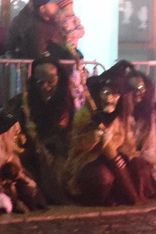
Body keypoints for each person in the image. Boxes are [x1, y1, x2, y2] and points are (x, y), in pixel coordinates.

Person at [63, 71, 150, 206]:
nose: (110, 98)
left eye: (114, 94)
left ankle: (131, 197)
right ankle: (96, 199)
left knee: (137, 165)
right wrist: (93, 138)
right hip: (88, 161)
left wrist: (120, 156)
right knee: (103, 176)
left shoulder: (121, 116)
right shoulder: (85, 114)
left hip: (113, 159)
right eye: (106, 93)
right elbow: (76, 145)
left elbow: (128, 143)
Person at [9, 54, 75, 204]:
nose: (45, 87)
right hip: (31, 151)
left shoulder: (64, 99)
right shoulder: (25, 100)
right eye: (40, 82)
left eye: (50, 82)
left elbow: (64, 130)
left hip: (59, 151)